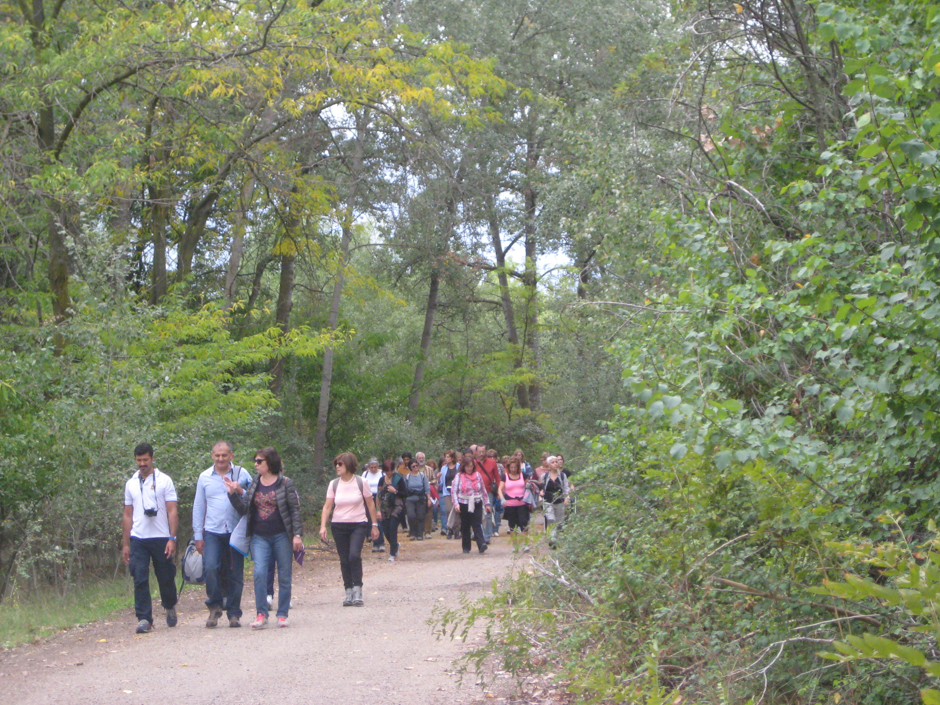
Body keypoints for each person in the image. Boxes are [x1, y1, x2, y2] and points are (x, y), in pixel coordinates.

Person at [225, 447, 303, 628]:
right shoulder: (255, 483)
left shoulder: (285, 483)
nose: (256, 464)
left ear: (270, 463)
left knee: (284, 574)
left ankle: (282, 614)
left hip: (282, 535)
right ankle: (261, 613)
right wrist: (232, 494)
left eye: (259, 461)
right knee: (259, 572)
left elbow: (295, 511)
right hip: (259, 536)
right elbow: (244, 508)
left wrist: (297, 535)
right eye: (255, 461)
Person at [192, 440, 252, 628]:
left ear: (231, 456)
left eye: (224, 455)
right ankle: (215, 606)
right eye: (217, 455)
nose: (220, 459)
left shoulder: (241, 473)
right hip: (212, 530)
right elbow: (199, 506)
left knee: (235, 574)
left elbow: (255, 497)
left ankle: (234, 613)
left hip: (235, 531)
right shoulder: (204, 477)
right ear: (212, 456)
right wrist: (197, 536)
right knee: (210, 567)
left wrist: (238, 489)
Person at [122, 442, 178, 634]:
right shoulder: (130, 483)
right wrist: (125, 543)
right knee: (139, 577)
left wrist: (172, 537)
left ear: (152, 458)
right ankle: (144, 618)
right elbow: (127, 514)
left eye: (145, 459)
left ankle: (170, 605)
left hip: (161, 536)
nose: (142, 463)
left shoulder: (165, 481)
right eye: (139, 460)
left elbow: (172, 510)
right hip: (139, 538)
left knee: (165, 576)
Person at [319, 453, 380, 606]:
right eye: (336, 464)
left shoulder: (361, 482)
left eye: (340, 464)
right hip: (338, 525)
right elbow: (327, 507)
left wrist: (374, 525)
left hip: (358, 524)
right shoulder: (334, 484)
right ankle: (348, 591)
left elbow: (370, 504)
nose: (337, 467)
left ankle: (358, 589)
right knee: (344, 559)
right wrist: (323, 526)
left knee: (354, 555)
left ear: (348, 465)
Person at [452, 450, 491, 554]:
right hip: (463, 503)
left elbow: (483, 490)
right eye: (467, 466)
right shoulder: (459, 476)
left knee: (477, 523)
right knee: (465, 525)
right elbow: (454, 492)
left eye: (471, 466)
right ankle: (466, 547)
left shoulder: (478, 475)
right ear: (464, 467)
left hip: (476, 501)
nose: (469, 468)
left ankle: (481, 544)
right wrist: (456, 504)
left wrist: (487, 503)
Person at [376, 460, 405, 562]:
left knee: (393, 529)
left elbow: (404, 493)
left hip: (397, 507)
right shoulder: (381, 480)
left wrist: (395, 491)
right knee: (386, 531)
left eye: (390, 470)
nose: (389, 472)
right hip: (385, 508)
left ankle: (393, 553)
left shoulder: (399, 479)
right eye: (386, 470)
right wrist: (378, 510)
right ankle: (395, 545)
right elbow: (378, 495)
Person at [499, 457, 530, 534]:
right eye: (511, 467)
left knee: (524, 523)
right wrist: (502, 499)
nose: (513, 469)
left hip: (522, 503)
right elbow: (499, 489)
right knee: (512, 525)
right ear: (509, 467)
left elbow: (529, 485)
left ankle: (524, 544)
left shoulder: (523, 475)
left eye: (515, 467)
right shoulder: (505, 476)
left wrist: (529, 487)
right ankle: (515, 545)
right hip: (510, 504)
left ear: (518, 467)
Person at [540, 455, 571, 531]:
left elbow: (566, 488)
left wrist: (567, 497)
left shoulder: (562, 476)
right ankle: (552, 539)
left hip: (560, 502)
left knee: (560, 522)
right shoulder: (545, 476)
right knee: (551, 519)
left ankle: (558, 538)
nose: (555, 464)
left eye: (556, 462)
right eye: (552, 462)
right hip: (548, 502)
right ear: (549, 465)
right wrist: (540, 492)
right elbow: (541, 487)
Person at [477, 445, 501, 539]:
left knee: (488, 512)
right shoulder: (474, 463)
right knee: (478, 514)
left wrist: (499, 491)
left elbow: (497, 478)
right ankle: (479, 534)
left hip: (488, 491)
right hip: (477, 492)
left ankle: (487, 535)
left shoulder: (492, 463)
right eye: (479, 451)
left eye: (483, 451)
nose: (481, 454)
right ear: (476, 452)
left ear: (486, 451)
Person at [403, 459, 431, 540]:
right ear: (410, 468)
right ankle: (412, 533)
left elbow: (427, 488)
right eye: (413, 466)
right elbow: (405, 489)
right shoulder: (407, 477)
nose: (415, 467)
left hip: (421, 498)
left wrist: (428, 499)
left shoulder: (423, 476)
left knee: (420, 516)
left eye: (416, 465)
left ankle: (419, 534)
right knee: (411, 516)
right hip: (410, 499)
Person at [362, 458, 386, 553]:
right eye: (371, 467)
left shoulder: (382, 474)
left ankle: (381, 543)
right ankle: (375, 543)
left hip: (378, 497)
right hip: (368, 498)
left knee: (378, 520)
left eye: (375, 467)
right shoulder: (365, 474)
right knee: (371, 521)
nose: (373, 469)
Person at [439, 450, 460, 538]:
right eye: (445, 457)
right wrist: (438, 478)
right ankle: (450, 528)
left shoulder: (459, 466)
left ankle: (457, 530)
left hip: (457, 491)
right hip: (447, 491)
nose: (446, 459)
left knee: (457, 510)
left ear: (452, 458)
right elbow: (441, 482)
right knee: (448, 509)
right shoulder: (443, 468)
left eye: (448, 457)